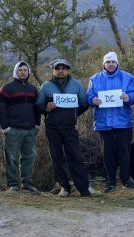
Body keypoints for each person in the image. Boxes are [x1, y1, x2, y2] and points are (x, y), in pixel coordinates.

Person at [36, 58, 95, 197]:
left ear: (68, 70)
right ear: (53, 70)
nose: (60, 71)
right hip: (52, 127)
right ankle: (64, 187)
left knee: (75, 156)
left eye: (63, 68)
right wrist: (47, 107)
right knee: (56, 158)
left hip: (70, 127)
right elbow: (38, 105)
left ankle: (83, 188)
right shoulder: (46, 86)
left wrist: (74, 115)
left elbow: (84, 103)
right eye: (58, 68)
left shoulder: (76, 85)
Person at [87, 52, 134, 193]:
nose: (110, 64)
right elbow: (89, 96)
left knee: (124, 152)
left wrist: (129, 97)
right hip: (104, 122)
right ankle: (110, 182)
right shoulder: (94, 79)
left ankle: (126, 179)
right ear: (104, 64)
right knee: (107, 153)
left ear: (117, 63)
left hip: (123, 121)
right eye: (108, 62)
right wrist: (93, 100)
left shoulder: (127, 77)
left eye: (113, 62)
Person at [0, 61, 41, 193]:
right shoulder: (8, 88)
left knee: (29, 157)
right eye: (20, 70)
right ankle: (12, 184)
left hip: (30, 129)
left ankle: (27, 183)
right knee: (11, 157)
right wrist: (5, 127)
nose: (23, 72)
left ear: (28, 72)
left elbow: (37, 108)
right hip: (13, 129)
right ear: (16, 71)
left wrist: (37, 124)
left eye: (25, 70)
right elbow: (0, 107)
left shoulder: (33, 89)